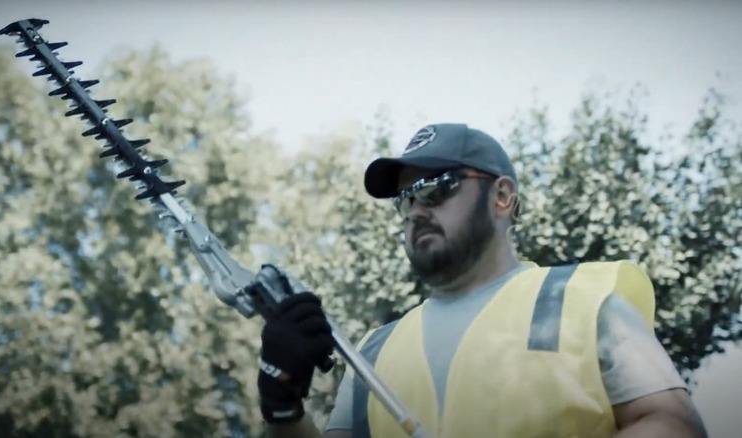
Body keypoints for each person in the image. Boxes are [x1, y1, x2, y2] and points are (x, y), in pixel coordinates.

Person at [255, 123, 708, 437]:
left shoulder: (584, 301)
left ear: (503, 196)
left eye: (436, 187)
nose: (415, 210)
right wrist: (282, 406)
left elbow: (673, 425)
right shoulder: (373, 350)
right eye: (405, 199)